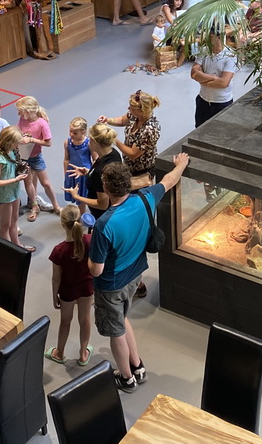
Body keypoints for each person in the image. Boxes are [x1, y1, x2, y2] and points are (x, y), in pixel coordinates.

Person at [89, 153, 190, 392]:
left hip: (111, 284)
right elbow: (169, 181)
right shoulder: (145, 198)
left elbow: (96, 269)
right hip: (135, 275)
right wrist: (182, 163)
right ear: (129, 183)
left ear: (105, 187)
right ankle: (138, 365)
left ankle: (126, 378)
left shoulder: (104, 225)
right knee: (122, 318)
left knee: (116, 332)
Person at [45, 204, 94, 366]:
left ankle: (59, 352)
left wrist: (54, 296)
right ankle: (83, 353)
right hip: (87, 287)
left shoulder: (58, 251)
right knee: (85, 319)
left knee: (65, 321)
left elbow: (56, 278)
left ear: (62, 224)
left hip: (67, 291)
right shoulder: (89, 241)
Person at [97, 90, 160, 182]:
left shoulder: (150, 130)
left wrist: (113, 139)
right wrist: (108, 120)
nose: (128, 108)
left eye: (131, 108)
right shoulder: (135, 115)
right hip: (128, 165)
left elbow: (132, 154)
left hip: (142, 170)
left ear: (140, 111)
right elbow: (123, 120)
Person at [0, 125, 33, 253]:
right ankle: (7, 251)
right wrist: (16, 180)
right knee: (5, 224)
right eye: (16, 143)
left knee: (14, 220)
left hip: (13, 191)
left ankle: (17, 246)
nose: (18, 146)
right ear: (9, 142)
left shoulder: (11, 151)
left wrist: (21, 170)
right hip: (3, 195)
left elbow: (13, 167)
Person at [16, 95, 61, 221]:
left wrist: (32, 139)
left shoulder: (42, 123)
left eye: (20, 110)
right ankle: (34, 206)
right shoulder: (22, 119)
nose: (18, 113)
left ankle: (56, 205)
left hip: (36, 156)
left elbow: (48, 142)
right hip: (24, 156)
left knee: (45, 182)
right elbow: (18, 129)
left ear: (28, 111)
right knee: (28, 182)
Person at [65, 123, 121, 217]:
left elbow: (102, 205)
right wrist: (88, 172)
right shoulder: (113, 153)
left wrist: (77, 196)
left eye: (90, 139)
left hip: (102, 215)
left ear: (95, 142)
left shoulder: (100, 172)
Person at [191, 32, 237, 127]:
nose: (206, 39)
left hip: (221, 102)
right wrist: (214, 78)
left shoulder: (230, 55)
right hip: (203, 100)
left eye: (210, 37)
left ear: (219, 37)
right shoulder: (204, 50)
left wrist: (203, 79)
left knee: (219, 133)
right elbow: (194, 73)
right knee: (199, 130)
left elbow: (224, 83)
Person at [62, 117, 91, 204]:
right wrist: (66, 173)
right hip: (72, 172)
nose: (71, 134)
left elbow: (95, 159)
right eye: (70, 131)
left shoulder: (89, 143)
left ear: (83, 132)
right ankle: (81, 214)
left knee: (83, 196)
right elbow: (66, 159)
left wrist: (91, 174)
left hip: (84, 172)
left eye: (75, 133)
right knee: (76, 195)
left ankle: (83, 215)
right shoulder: (67, 143)